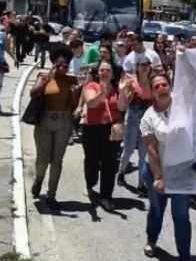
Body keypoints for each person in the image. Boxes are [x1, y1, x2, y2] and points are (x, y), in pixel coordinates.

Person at [141, 73, 196, 261]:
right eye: (157, 86)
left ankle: (185, 260)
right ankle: (152, 239)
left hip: (181, 172)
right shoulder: (148, 117)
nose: (162, 88)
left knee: (181, 216)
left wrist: (186, 55)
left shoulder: (183, 103)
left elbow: (195, 83)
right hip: (157, 171)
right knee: (156, 209)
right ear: (152, 92)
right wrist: (158, 177)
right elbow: (151, 148)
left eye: (165, 84)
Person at [29, 55, 78, 209]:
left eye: (66, 66)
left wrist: (75, 93)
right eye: (60, 65)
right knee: (43, 159)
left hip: (63, 120)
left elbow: (73, 104)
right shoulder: (44, 76)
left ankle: (51, 195)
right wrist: (47, 80)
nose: (63, 68)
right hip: (45, 120)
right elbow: (33, 93)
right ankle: (39, 179)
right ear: (54, 65)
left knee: (57, 161)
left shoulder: (71, 80)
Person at [81, 61, 122, 211]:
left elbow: (122, 107)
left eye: (108, 70)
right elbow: (91, 104)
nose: (105, 72)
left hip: (111, 130)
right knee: (91, 160)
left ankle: (106, 196)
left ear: (112, 74)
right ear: (98, 73)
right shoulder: (92, 86)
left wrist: (124, 93)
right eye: (102, 70)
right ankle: (90, 183)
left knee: (109, 164)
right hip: (92, 129)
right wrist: (102, 94)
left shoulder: (118, 89)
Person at [117, 56, 153, 195]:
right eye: (142, 64)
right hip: (132, 117)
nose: (145, 67)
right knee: (128, 149)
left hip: (148, 120)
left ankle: (141, 184)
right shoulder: (131, 81)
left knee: (144, 153)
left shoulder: (152, 82)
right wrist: (126, 92)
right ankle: (121, 172)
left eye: (147, 64)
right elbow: (125, 102)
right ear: (137, 66)